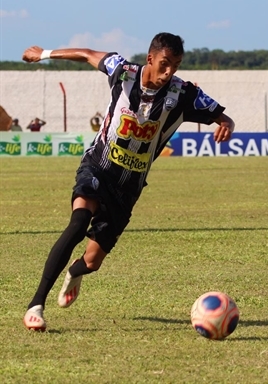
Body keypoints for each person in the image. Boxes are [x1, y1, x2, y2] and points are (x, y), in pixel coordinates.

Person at [21, 32, 235, 331]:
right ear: (151, 58)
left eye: (175, 65)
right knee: (78, 222)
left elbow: (222, 116)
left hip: (128, 188)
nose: (169, 71)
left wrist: (226, 123)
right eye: (164, 64)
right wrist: (43, 53)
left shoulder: (182, 93)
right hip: (98, 168)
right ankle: (36, 305)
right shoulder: (123, 71)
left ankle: (75, 272)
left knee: (92, 262)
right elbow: (86, 54)